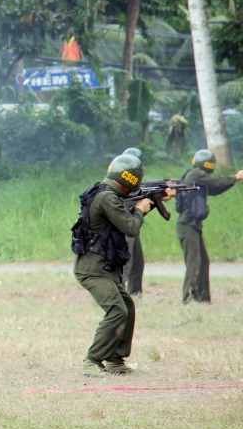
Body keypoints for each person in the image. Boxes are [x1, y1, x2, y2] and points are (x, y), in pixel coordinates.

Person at [72, 154, 174, 377]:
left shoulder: (106, 193)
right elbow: (130, 227)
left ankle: (115, 361)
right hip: (92, 270)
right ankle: (91, 361)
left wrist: (152, 202)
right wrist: (141, 209)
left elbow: (123, 217)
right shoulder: (107, 198)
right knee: (117, 310)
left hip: (102, 268)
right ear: (130, 179)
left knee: (127, 307)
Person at [176, 149, 243, 304]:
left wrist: (234, 180)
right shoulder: (196, 174)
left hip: (193, 225)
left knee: (203, 261)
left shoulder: (199, 179)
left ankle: (202, 299)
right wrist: (235, 176)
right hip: (187, 225)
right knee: (193, 263)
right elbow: (215, 182)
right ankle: (187, 301)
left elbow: (215, 188)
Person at [121, 148, 146, 296]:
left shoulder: (134, 184)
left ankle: (135, 296)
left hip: (132, 229)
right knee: (126, 266)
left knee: (137, 264)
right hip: (123, 229)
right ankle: (118, 297)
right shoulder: (123, 183)